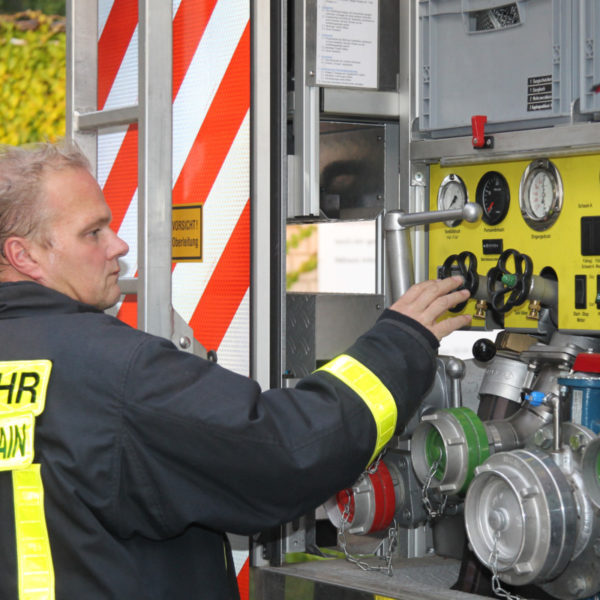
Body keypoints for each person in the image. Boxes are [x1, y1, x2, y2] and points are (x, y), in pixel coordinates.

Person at [0, 141, 471, 600]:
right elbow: (287, 453)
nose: (119, 244)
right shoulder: (115, 371)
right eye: (93, 232)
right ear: (25, 256)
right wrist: (400, 343)